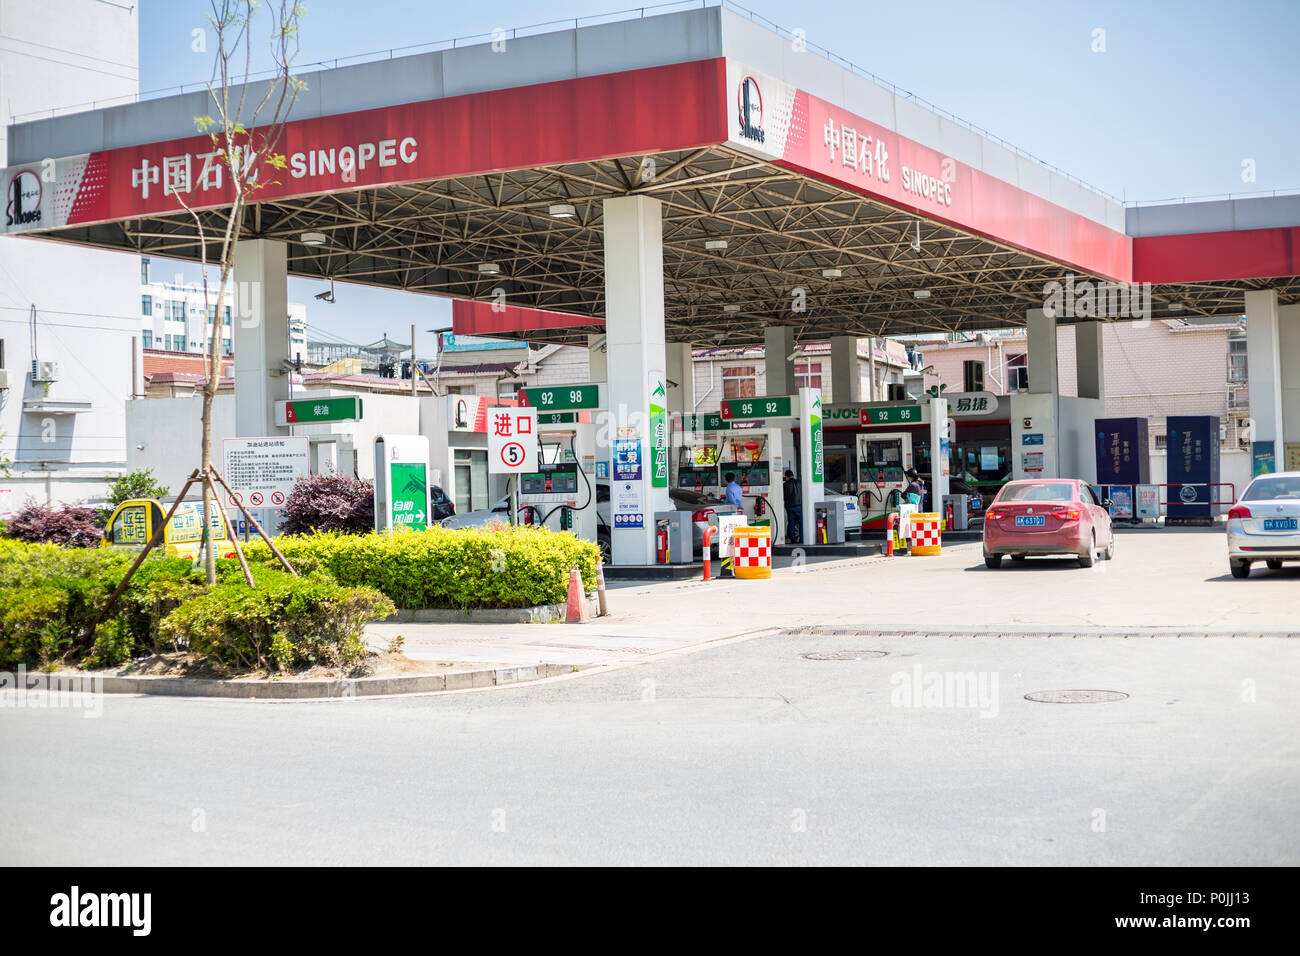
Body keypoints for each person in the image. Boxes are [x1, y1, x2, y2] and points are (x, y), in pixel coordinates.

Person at [782, 469, 802, 544]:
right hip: (799, 505)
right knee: (801, 523)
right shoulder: (799, 483)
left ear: (786, 477)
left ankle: (793, 540)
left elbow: (784, 496)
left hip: (789, 507)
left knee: (791, 523)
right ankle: (802, 539)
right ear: (793, 475)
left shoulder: (785, 485)